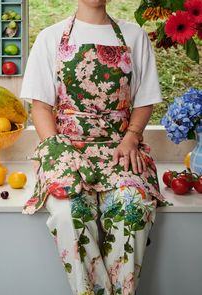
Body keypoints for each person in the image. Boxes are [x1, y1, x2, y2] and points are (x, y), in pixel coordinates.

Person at [20, 1, 168, 294]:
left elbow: (144, 100)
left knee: (133, 208)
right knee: (69, 212)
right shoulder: (50, 37)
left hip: (121, 149)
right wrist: (59, 149)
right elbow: (40, 106)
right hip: (67, 150)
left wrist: (132, 136)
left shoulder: (134, 36)